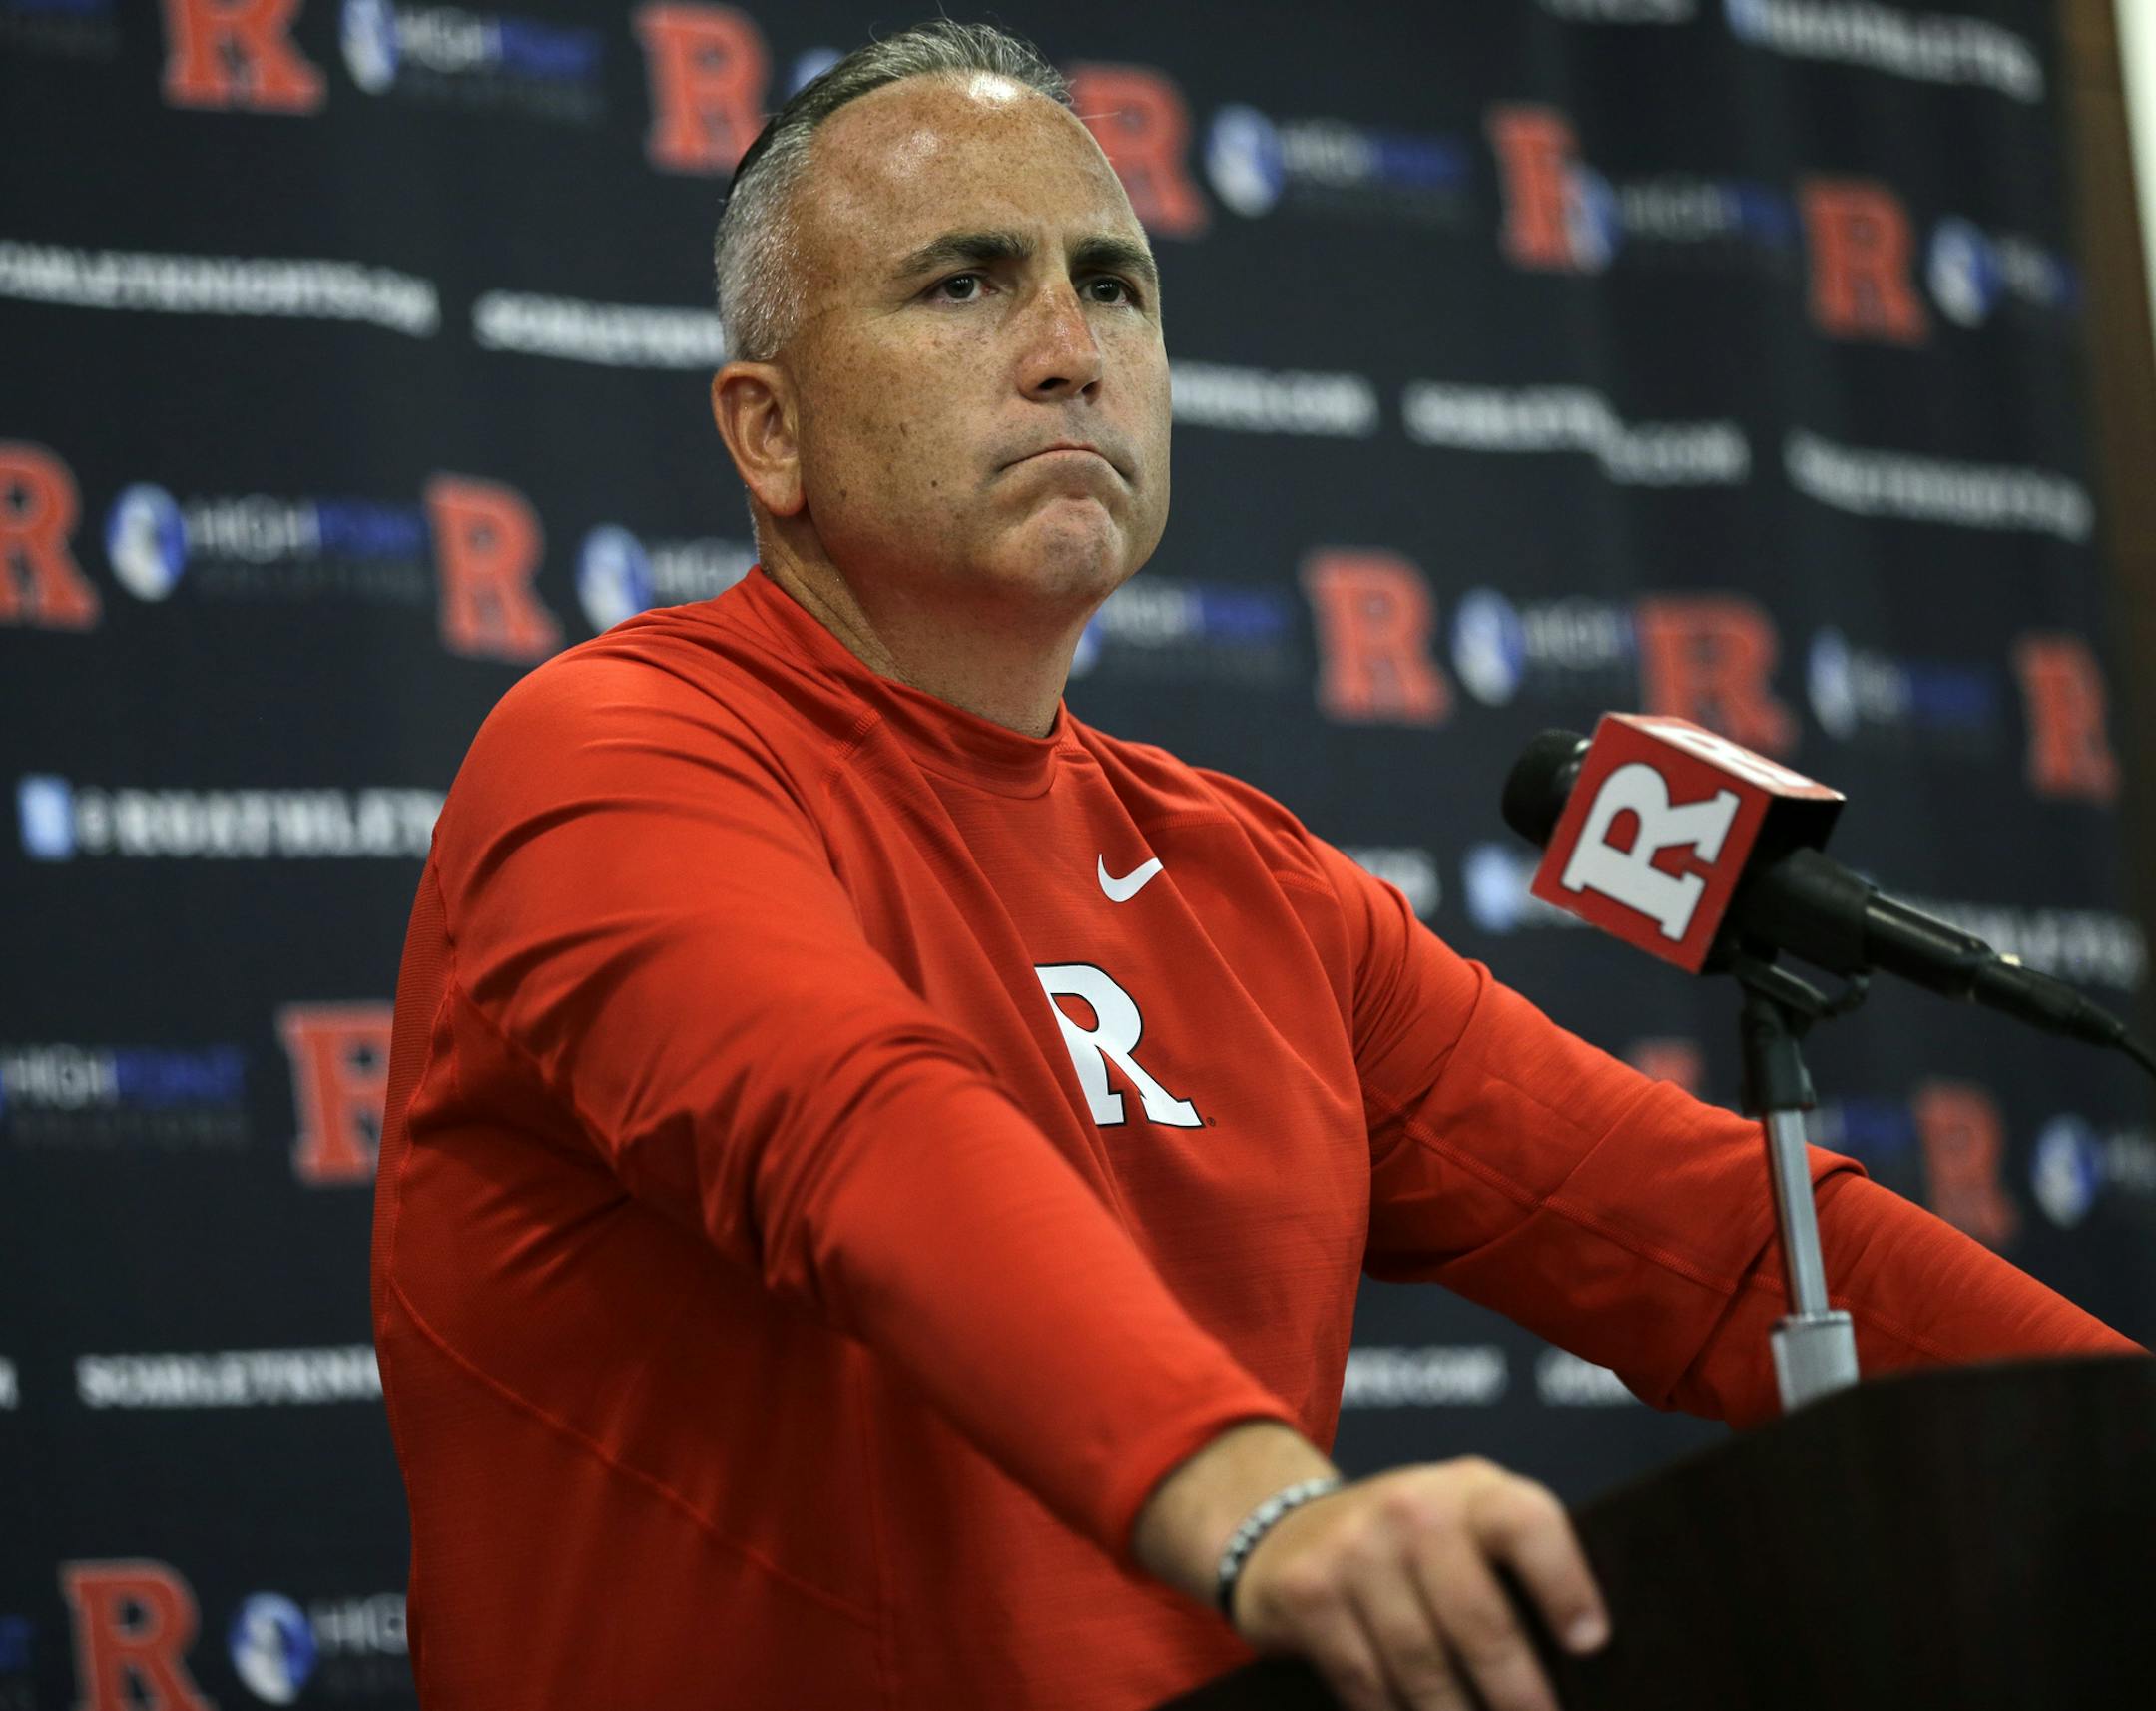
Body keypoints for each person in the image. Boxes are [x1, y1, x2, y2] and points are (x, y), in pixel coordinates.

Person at [368, 21, 2144, 1711]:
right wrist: (1270, 1509)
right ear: (768, 430)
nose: (1070, 344)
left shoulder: (1250, 885)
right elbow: (855, 1127)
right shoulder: (612, 751)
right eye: (965, 281)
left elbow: (1721, 1247)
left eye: (1116, 284)